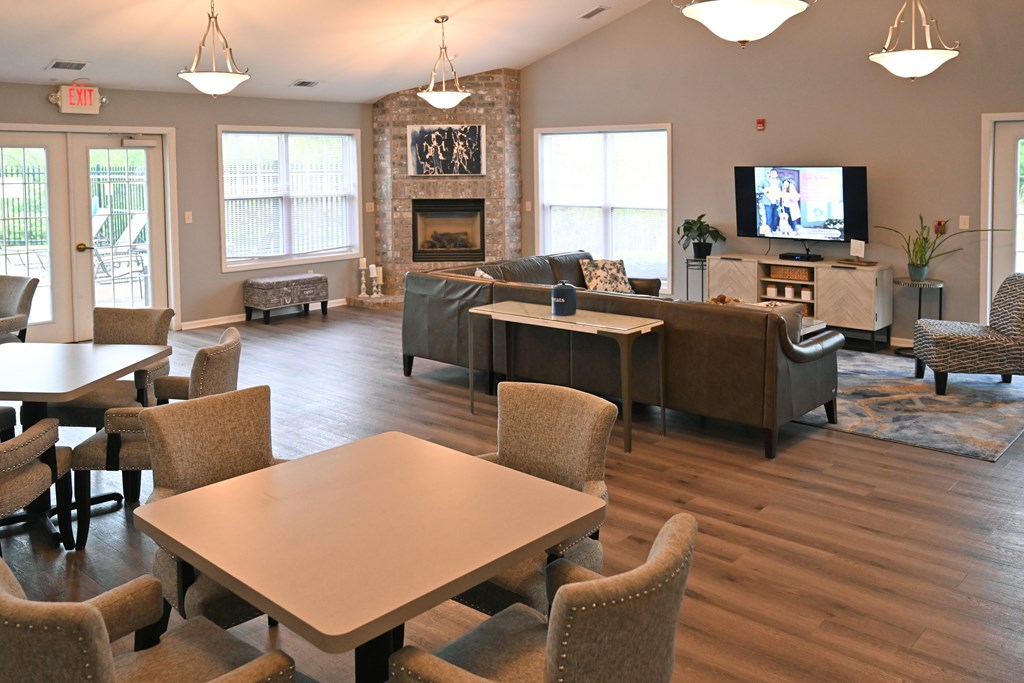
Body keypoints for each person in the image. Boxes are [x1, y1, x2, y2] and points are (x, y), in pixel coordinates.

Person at [760, 168, 782, 234]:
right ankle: (768, 231)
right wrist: (764, 190)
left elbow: (781, 191)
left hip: (776, 202)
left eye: (775, 173)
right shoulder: (765, 181)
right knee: (768, 217)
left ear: (777, 174)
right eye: (772, 173)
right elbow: (758, 187)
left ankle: (774, 230)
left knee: (775, 217)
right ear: (770, 174)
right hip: (768, 202)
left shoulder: (779, 182)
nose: (773, 174)